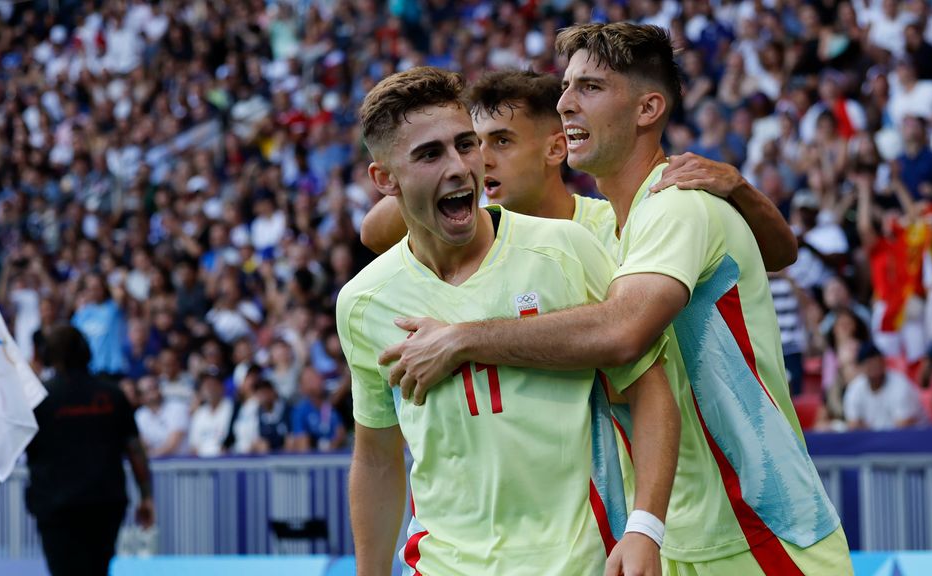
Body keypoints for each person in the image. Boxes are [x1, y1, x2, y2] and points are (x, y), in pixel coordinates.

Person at [381, 24, 852, 575]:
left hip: (758, 535)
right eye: (565, 88)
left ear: (648, 107)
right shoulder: (602, 230)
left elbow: (621, 333)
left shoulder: (676, 206)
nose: (565, 104)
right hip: (671, 538)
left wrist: (462, 340)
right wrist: (428, 168)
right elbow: (379, 229)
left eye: (590, 88)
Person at [337, 66, 678, 576]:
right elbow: (377, 457)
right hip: (440, 564)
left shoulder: (566, 250)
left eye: (465, 145)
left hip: (578, 562)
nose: (459, 167)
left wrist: (645, 528)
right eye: (430, 154)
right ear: (385, 179)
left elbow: (650, 389)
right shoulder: (363, 301)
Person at [360, 69, 798, 273]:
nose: (482, 158)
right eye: (474, 143)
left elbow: (779, 256)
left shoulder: (613, 225)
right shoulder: (476, 233)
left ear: (556, 148)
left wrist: (740, 188)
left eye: (502, 141)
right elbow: (374, 233)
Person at [21, 325, 152, 576]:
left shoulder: (37, 398)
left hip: (56, 507)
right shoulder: (112, 395)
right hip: (104, 504)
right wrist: (147, 496)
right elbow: (135, 450)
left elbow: (7, 450)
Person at [843, 344, 924, 431]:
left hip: (914, 438)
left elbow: (904, 426)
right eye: (869, 364)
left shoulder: (900, 385)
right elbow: (853, 426)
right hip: (877, 440)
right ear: (861, 367)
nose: (874, 367)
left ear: (883, 362)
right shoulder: (855, 388)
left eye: (877, 362)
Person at [288, 366, 346, 452]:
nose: (316, 381)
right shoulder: (300, 411)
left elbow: (340, 434)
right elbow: (302, 442)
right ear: (302, 387)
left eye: (317, 376)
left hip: (333, 456)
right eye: (310, 379)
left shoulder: (330, 406)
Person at [134, 375, 189, 457]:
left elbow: (173, 444)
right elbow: (142, 443)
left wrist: (152, 456)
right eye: (149, 389)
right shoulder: (140, 415)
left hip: (181, 462)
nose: (155, 391)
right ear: (141, 397)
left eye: (155, 387)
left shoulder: (177, 407)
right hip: (155, 463)